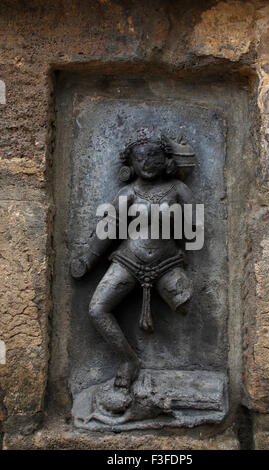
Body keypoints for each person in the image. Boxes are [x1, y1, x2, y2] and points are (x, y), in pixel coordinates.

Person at [71, 136, 194, 389]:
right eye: (140, 158)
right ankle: (128, 360)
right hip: (129, 260)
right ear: (131, 164)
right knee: (97, 310)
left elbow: (195, 232)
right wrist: (87, 260)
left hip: (166, 263)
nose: (147, 163)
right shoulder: (127, 193)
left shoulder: (178, 190)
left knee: (185, 305)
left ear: (166, 161)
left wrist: (178, 221)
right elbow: (107, 231)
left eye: (154, 157)